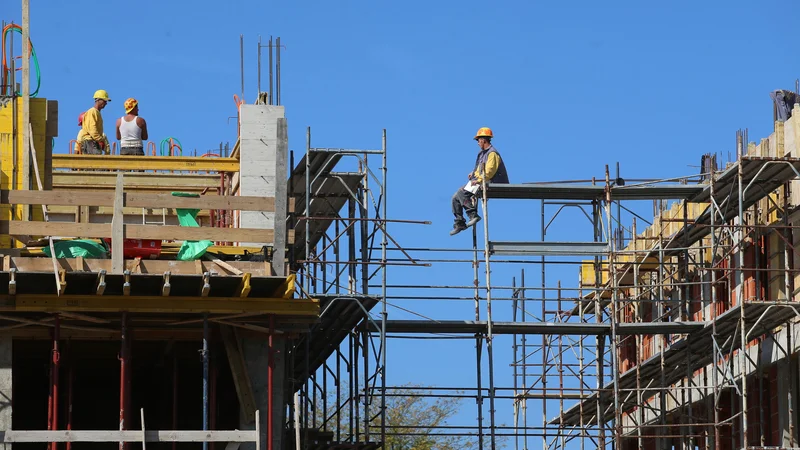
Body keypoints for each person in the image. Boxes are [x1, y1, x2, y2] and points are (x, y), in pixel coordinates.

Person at [450, 127, 509, 236]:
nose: (477, 142)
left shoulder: (492, 154)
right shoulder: (482, 154)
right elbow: (480, 168)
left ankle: (473, 215)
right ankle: (460, 223)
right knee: (455, 197)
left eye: (478, 140)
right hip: (481, 181)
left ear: (484, 140)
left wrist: (477, 180)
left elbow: (489, 172)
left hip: (491, 182)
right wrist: (473, 173)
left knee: (461, 193)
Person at [76, 89, 112, 154]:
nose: (106, 103)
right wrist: (100, 140)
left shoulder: (96, 112)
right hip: (91, 143)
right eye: (104, 101)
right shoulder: (92, 112)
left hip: (94, 142)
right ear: (97, 100)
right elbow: (93, 129)